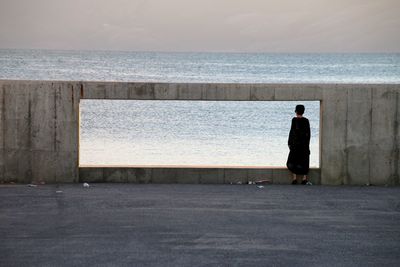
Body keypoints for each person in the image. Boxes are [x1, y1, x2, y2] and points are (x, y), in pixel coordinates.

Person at [286, 104, 310, 185]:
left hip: (295, 145)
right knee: (305, 161)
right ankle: (304, 179)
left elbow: (291, 132)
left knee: (293, 161)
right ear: (303, 111)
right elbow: (308, 134)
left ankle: (295, 178)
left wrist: (289, 143)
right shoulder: (306, 121)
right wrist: (307, 145)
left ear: (296, 111)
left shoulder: (294, 120)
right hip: (304, 145)